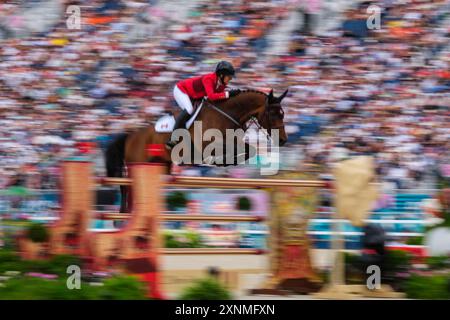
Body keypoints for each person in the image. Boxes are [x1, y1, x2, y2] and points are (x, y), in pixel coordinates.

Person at [165, 61, 241, 149]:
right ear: (221, 75)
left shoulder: (221, 85)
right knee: (189, 109)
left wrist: (233, 96)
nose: (230, 79)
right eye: (229, 77)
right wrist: (228, 94)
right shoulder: (208, 79)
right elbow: (212, 96)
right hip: (181, 90)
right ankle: (173, 138)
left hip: (194, 96)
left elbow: (219, 98)